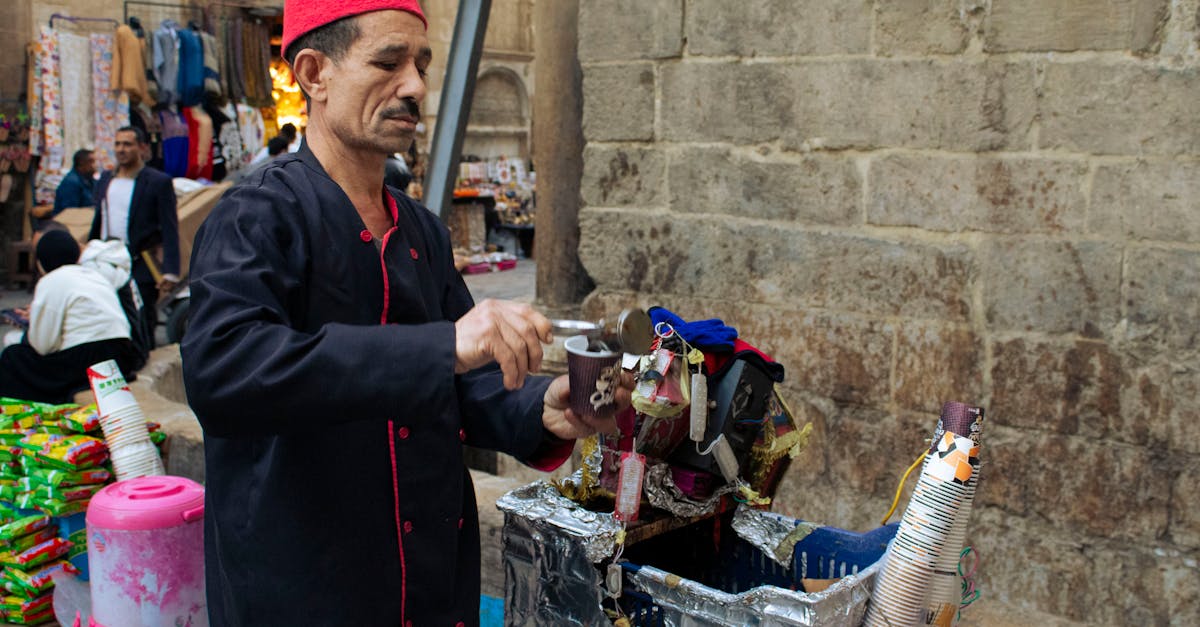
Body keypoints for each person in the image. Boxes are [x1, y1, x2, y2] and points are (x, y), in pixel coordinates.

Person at [181, 1, 631, 625]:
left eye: (421, 63)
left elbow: (463, 385)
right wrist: (443, 345)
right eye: (388, 62)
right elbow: (223, 371)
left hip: (430, 577)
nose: (415, 86)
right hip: (306, 583)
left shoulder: (421, 230)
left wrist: (542, 406)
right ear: (315, 73)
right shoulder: (257, 216)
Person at [0, 232, 141, 403]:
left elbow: (42, 345)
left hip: (86, 358)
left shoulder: (51, 280)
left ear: (41, 262)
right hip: (122, 355)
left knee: (13, 356)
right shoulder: (94, 275)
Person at [89, 126, 180, 347]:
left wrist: (170, 270)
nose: (121, 150)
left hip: (140, 262)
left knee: (142, 320)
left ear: (141, 148)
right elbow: (99, 219)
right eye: (118, 144)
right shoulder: (105, 179)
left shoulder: (158, 182)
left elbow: (169, 228)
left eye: (127, 144)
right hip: (106, 261)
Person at [36, 149, 96, 231]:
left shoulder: (89, 180)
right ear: (82, 164)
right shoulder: (72, 182)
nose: (95, 165)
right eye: (91, 162)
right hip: (68, 227)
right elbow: (70, 213)